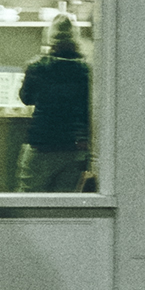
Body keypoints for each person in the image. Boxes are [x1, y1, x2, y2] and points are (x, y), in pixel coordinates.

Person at [17, 15, 91, 192]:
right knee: (63, 205)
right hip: (73, 147)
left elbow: (26, 98)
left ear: (50, 38)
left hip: (41, 143)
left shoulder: (37, 66)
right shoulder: (85, 70)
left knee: (29, 199)